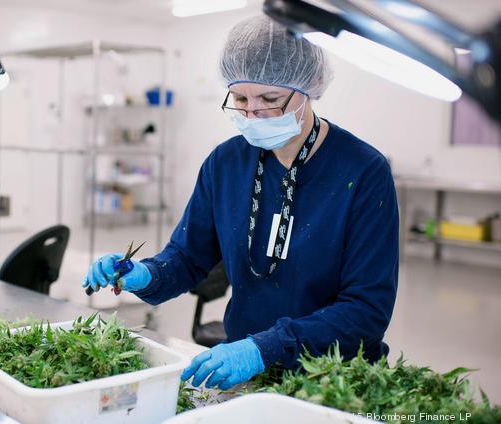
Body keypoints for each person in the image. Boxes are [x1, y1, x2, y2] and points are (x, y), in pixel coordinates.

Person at [83, 15, 399, 391]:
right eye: (240, 99)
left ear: (309, 88)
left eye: (270, 99)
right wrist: (145, 274)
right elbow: (187, 258)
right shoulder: (226, 163)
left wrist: (265, 349)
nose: (252, 114)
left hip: (334, 379)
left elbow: (365, 311)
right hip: (246, 373)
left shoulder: (363, 171)